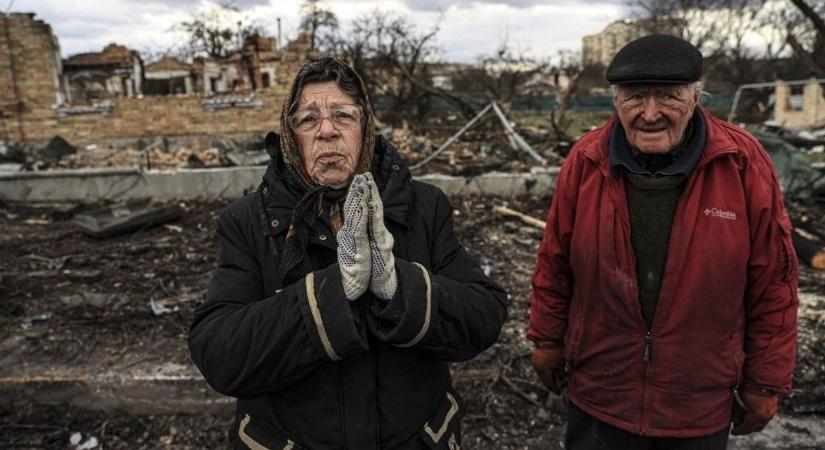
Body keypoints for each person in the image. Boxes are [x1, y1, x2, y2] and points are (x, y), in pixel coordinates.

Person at [189, 56, 508, 449]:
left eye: (343, 115)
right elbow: (220, 353)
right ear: (291, 136)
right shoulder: (249, 222)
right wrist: (332, 293)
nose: (327, 131)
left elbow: (485, 314)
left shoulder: (423, 207)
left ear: (366, 127)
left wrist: (398, 286)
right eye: (308, 120)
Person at [528, 34, 798, 449]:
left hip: (696, 403)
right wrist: (547, 340)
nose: (650, 114)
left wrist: (765, 382)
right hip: (601, 394)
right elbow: (555, 262)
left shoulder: (742, 162)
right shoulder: (586, 160)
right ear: (615, 101)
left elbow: (774, 281)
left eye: (668, 97)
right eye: (635, 97)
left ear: (695, 98)